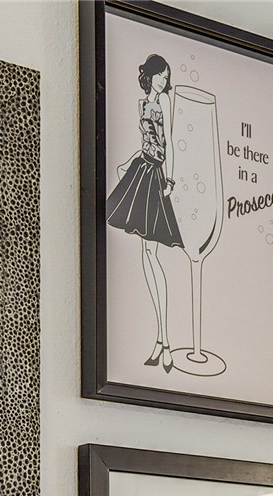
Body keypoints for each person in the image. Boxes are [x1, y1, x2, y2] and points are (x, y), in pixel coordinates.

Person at [104, 53, 183, 370]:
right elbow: (147, 143)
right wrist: (128, 161)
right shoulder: (142, 104)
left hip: (156, 176)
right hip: (141, 169)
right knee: (146, 253)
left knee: (151, 253)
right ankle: (163, 340)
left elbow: (169, 144)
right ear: (149, 75)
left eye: (166, 75)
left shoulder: (164, 101)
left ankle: (165, 340)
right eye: (159, 74)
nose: (163, 80)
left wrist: (171, 181)